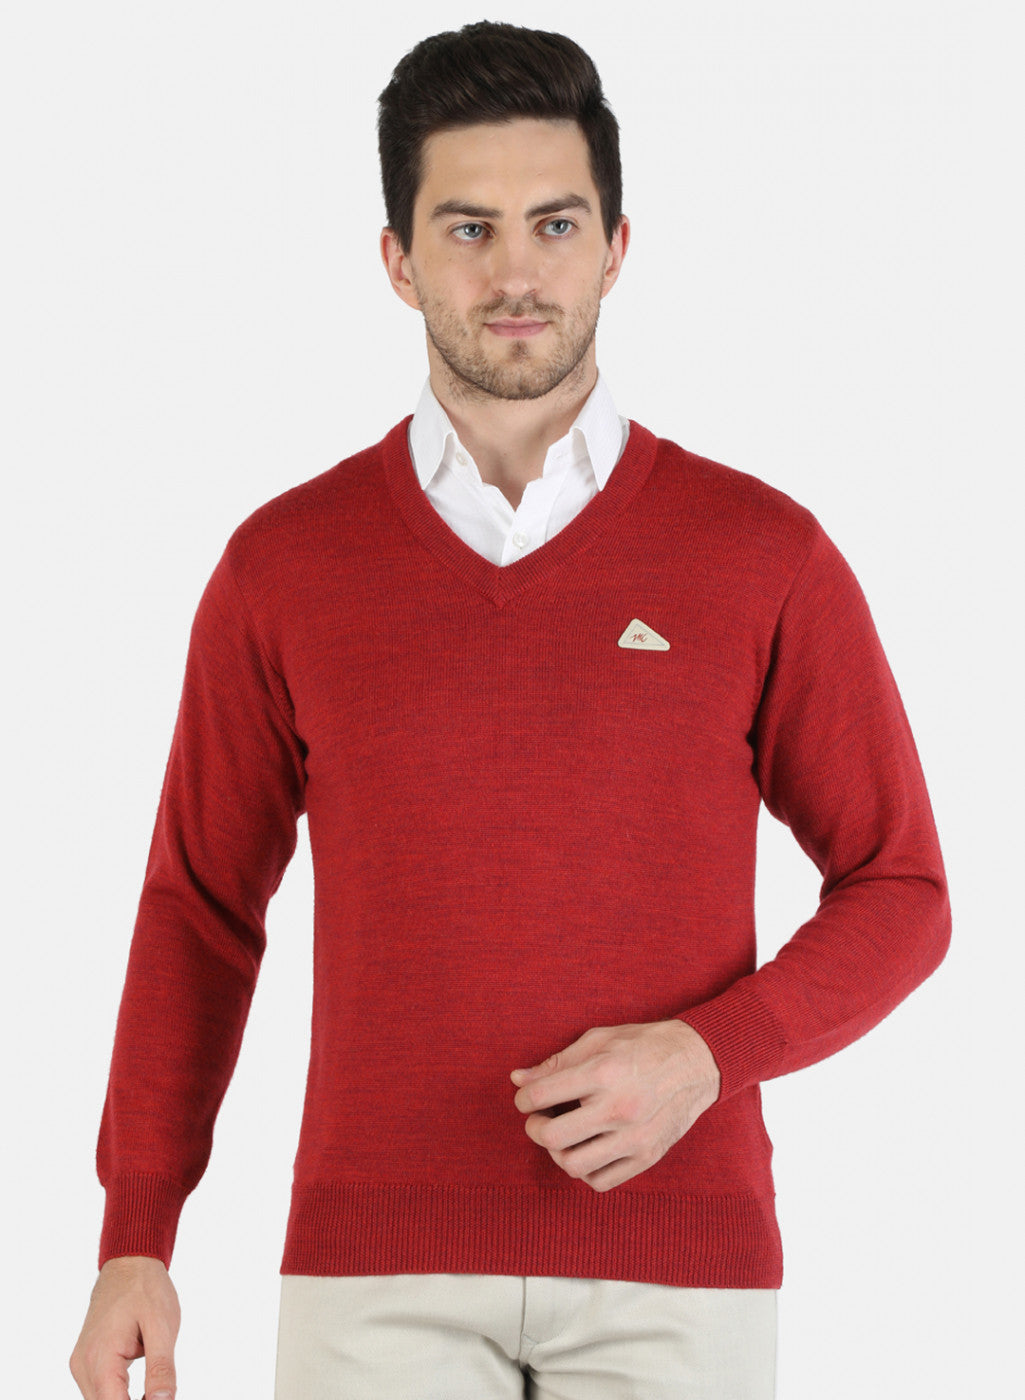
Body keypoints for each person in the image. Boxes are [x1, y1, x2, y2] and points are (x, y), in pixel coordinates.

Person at [70, 20, 950, 1400]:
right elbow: (199, 907)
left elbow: (902, 890)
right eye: (468, 228)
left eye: (555, 223)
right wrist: (137, 1234)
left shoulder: (758, 553)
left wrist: (708, 1056)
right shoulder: (284, 566)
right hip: (373, 1278)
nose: (516, 272)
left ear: (616, 247)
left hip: (677, 1271)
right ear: (398, 261)